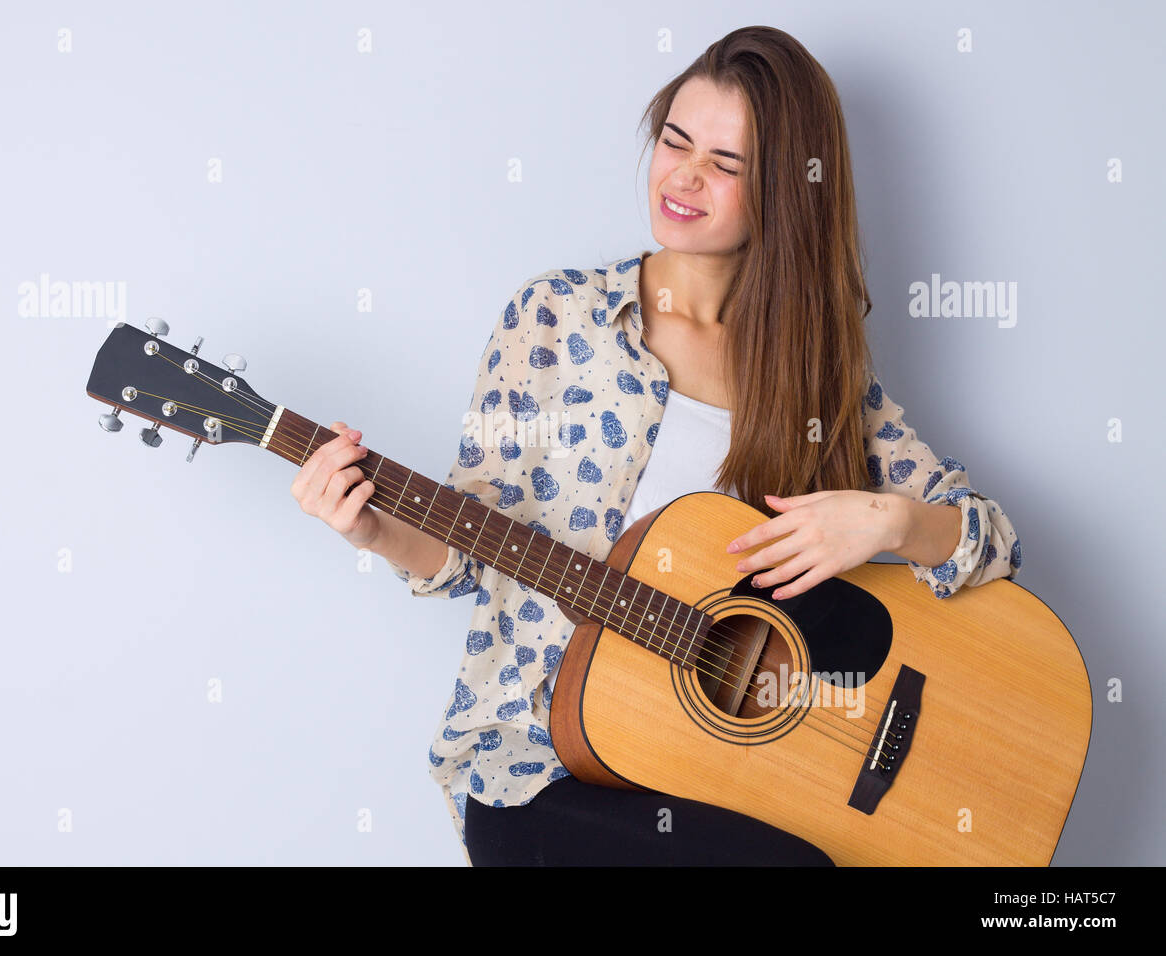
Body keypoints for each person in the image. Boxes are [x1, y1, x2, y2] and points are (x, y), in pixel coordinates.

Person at [289, 25, 1021, 866]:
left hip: (716, 770)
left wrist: (887, 521)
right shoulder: (555, 319)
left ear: (788, 191)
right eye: (675, 141)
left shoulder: (815, 375)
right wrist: (370, 528)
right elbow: (466, 546)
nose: (685, 176)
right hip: (543, 764)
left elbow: (988, 538)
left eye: (727, 163)